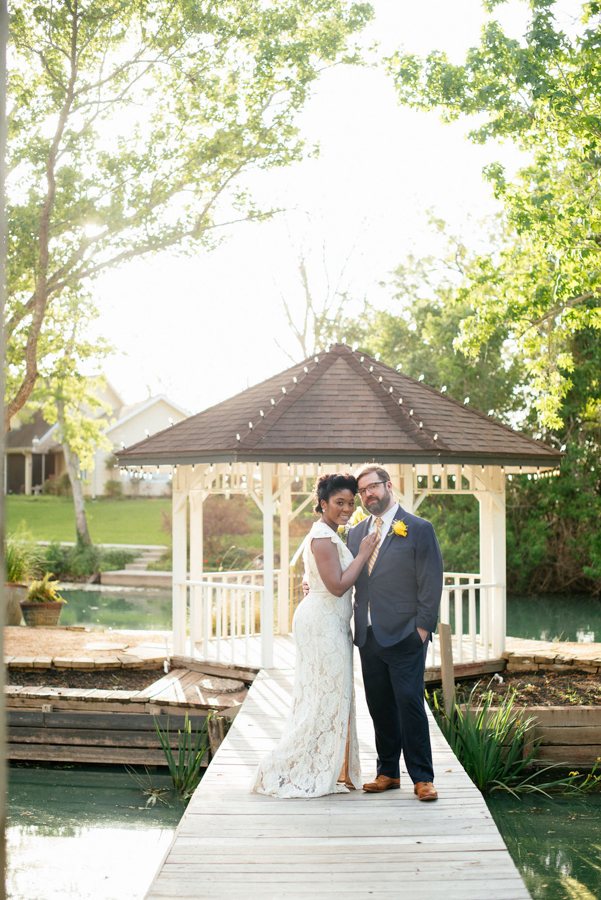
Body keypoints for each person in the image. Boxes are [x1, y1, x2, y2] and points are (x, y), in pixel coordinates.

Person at [251, 473, 378, 799]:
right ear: (322, 504)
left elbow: (322, 578)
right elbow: (336, 586)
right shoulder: (322, 537)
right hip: (321, 624)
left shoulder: (330, 534)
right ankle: (283, 766)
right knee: (324, 698)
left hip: (329, 621)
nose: (347, 508)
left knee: (332, 696)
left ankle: (334, 767)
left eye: (351, 502)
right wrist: (363, 554)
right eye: (339, 503)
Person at [346, 463, 443, 801]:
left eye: (373, 487)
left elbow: (431, 583)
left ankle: (423, 777)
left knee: (410, 702)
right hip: (368, 635)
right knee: (380, 704)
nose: (368, 494)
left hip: (405, 633)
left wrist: (421, 629)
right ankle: (387, 771)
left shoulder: (418, 528)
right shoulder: (355, 533)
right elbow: (348, 577)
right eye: (362, 490)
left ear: (388, 486)